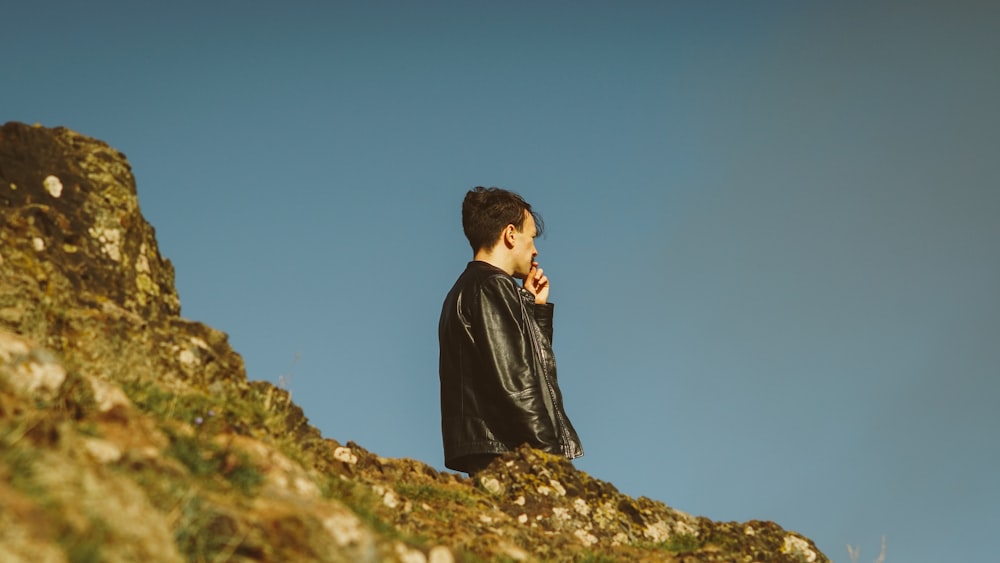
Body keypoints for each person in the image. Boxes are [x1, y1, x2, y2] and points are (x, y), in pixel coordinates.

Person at [438, 186, 583, 475]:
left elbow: (521, 363)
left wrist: (532, 308)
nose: (535, 249)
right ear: (510, 234)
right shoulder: (493, 286)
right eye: (531, 237)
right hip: (509, 452)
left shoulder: (466, 288)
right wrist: (552, 460)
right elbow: (518, 383)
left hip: (490, 451)